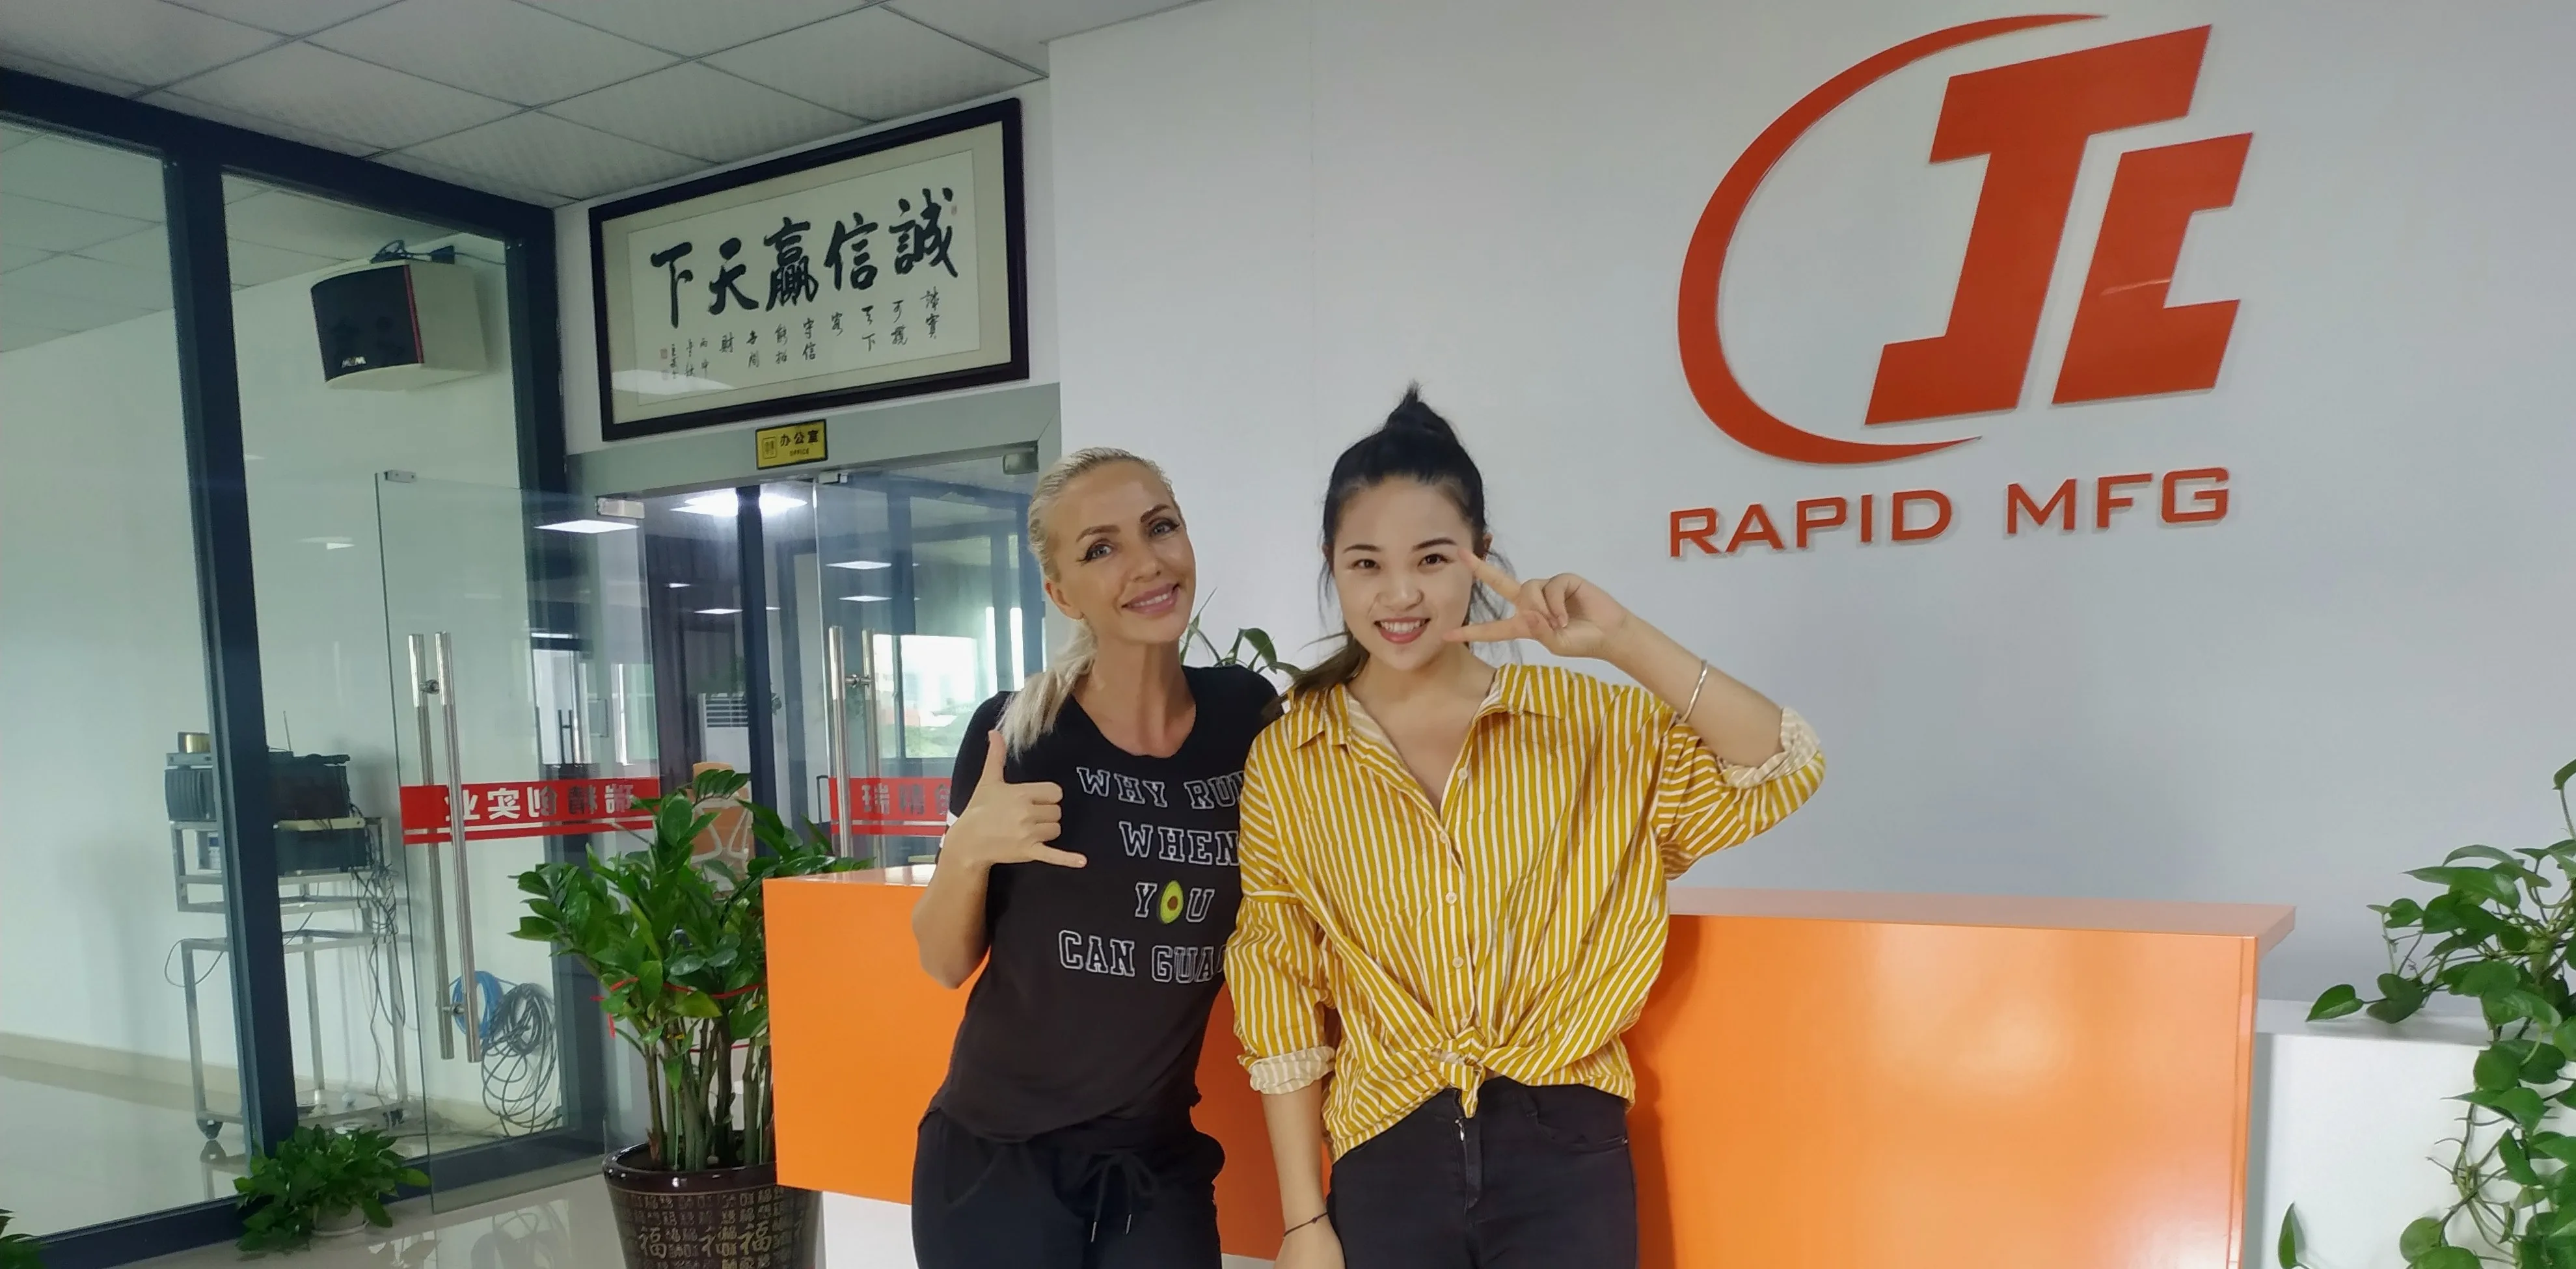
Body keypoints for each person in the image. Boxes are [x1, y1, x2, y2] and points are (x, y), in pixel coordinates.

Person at [1227, 389, 1826, 1269]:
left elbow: (1778, 763)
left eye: (1432, 558)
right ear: (1331, 566)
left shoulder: (1585, 722)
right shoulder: (1291, 755)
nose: (1399, 593)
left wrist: (1620, 639)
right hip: (1385, 1149)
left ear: (1479, 552)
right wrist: (1301, 1220)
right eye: (1365, 563)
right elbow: (1276, 980)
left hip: (1565, 1148)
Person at [908, 447, 1279, 1268]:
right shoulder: (1017, 735)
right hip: (996, 1155)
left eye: (1160, 527)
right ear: (1060, 593)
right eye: (1101, 548)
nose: (1146, 563)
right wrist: (967, 851)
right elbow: (943, 962)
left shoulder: (1246, 716)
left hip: (1153, 1158)